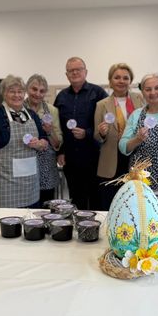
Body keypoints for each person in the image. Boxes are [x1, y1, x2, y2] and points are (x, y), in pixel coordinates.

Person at [0, 75, 48, 208]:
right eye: (12, 91)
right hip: (5, 181)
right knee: (6, 218)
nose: (17, 95)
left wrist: (40, 144)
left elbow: (44, 141)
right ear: (4, 93)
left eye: (20, 92)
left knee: (30, 217)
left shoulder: (32, 115)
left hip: (30, 182)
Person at [54, 57, 107, 210]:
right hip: (71, 160)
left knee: (96, 199)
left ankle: (97, 224)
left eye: (78, 69)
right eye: (71, 70)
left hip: (94, 157)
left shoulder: (98, 93)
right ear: (66, 75)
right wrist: (60, 152)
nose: (75, 72)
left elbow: (106, 123)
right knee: (76, 199)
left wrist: (87, 133)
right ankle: (78, 225)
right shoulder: (61, 96)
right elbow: (58, 127)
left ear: (86, 72)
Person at [94, 63, 144, 210]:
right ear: (110, 81)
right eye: (117, 77)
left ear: (130, 81)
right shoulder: (101, 105)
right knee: (111, 204)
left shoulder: (140, 99)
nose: (121, 81)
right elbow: (96, 136)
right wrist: (102, 133)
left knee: (133, 204)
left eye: (125, 78)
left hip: (135, 156)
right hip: (112, 160)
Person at [24, 74, 63, 205]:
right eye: (34, 89)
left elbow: (57, 144)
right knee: (27, 204)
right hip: (24, 163)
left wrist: (50, 131)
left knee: (46, 205)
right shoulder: (18, 108)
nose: (37, 94)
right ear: (27, 89)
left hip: (46, 165)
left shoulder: (52, 111)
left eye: (42, 91)